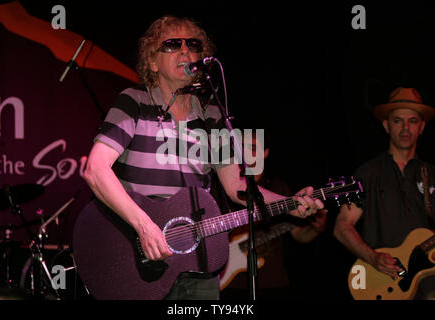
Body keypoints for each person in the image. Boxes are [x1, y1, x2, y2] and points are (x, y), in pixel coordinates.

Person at [82, 15, 324, 300]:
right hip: (135, 254)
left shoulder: (211, 115)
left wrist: (289, 204)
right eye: (172, 44)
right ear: (152, 62)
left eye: (193, 45)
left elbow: (238, 187)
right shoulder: (134, 101)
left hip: (198, 260)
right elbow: (95, 170)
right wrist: (144, 227)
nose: (185, 50)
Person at [333, 87, 435, 299]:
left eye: (413, 121)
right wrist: (372, 257)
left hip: (428, 284)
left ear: (422, 127)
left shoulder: (431, 174)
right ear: (386, 125)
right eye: (398, 121)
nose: (405, 128)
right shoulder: (366, 173)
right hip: (383, 282)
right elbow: (342, 226)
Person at [218, 131, 327, 299]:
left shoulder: (278, 187)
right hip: (229, 285)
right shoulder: (222, 187)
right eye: (241, 148)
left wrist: (317, 229)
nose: (246, 153)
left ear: (266, 152)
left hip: (273, 283)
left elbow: (299, 234)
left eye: (253, 148)